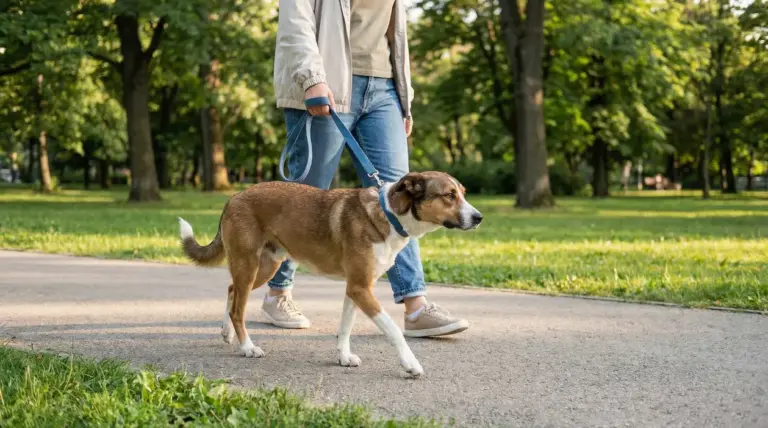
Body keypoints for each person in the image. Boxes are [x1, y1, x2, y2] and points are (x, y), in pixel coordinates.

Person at [263, 0, 469, 337]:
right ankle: (277, 291)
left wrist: (405, 99)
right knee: (306, 196)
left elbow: (396, 35)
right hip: (326, 81)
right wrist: (312, 78)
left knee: (402, 198)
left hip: (384, 87)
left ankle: (415, 306)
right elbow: (295, 23)